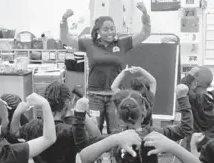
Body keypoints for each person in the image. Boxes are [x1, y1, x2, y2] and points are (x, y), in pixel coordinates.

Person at [60, 1, 151, 134]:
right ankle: (98, 155)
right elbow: (66, 39)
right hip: (94, 96)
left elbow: (145, 33)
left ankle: (115, 155)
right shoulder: (89, 43)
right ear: (98, 31)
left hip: (116, 95)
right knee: (93, 132)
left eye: (112, 29)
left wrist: (145, 13)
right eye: (106, 29)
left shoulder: (123, 43)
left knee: (116, 132)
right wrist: (64, 20)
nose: (110, 32)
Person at [109, 82, 193, 163]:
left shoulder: (115, 137)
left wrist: (85, 117)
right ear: (144, 111)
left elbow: (87, 145)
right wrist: (182, 98)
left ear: (118, 115)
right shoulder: (153, 134)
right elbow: (185, 129)